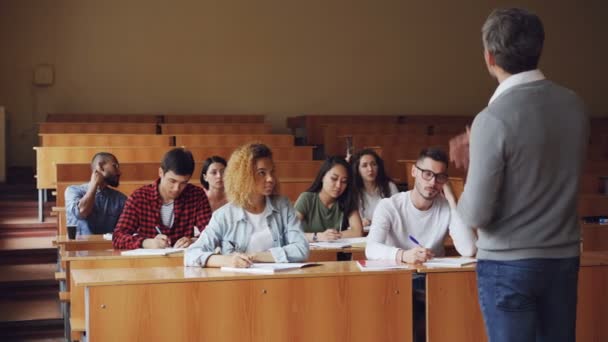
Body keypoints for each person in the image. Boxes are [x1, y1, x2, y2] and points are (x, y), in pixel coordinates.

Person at [452, 8, 589, 342]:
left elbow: (475, 213)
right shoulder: (575, 105)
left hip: (507, 265)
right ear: (539, 47)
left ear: (489, 57)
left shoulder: (492, 119)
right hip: (563, 258)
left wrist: (474, 163)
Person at [185, 143, 309, 267]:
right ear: (243, 177)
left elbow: (301, 249)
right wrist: (228, 260)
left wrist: (255, 256)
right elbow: (191, 255)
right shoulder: (224, 215)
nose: (270, 179)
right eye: (262, 173)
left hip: (277, 281)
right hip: (240, 283)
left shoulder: (283, 206)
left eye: (271, 172)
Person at [366, 148, 476, 262]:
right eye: (427, 174)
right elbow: (371, 249)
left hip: (434, 274)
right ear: (414, 171)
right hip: (398, 275)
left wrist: (452, 201)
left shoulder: (447, 207)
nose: (433, 182)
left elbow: (469, 249)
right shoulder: (389, 206)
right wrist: (403, 255)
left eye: (440, 177)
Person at [113, 148, 212, 249]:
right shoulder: (139, 197)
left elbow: (212, 233)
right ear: (161, 172)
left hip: (184, 260)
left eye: (183, 183)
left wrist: (193, 241)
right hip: (149, 261)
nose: (176, 188)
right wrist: (146, 243)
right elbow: (118, 237)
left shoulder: (196, 195)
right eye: (172, 181)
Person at [294, 156, 363, 242]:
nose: (338, 186)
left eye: (344, 181)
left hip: (337, 253)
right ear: (322, 177)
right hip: (310, 253)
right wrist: (318, 236)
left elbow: (358, 232)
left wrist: (331, 236)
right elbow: (291, 233)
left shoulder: (347, 200)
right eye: (334, 179)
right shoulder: (307, 199)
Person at [65, 152, 127, 236]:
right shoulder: (73, 191)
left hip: (109, 247)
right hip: (80, 248)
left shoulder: (121, 199)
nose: (119, 172)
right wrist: (94, 184)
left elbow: (126, 230)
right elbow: (82, 212)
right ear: (101, 167)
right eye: (115, 166)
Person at [351, 149, 399, 229]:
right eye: (364, 165)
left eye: (373, 164)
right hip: (363, 234)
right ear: (357, 169)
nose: (370, 169)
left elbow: (398, 214)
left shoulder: (390, 186)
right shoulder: (354, 190)